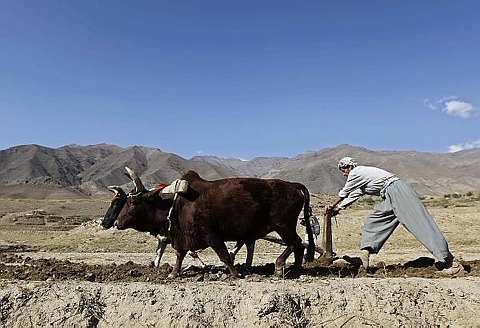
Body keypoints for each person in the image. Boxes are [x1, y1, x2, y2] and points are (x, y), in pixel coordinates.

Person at [325, 157, 464, 275]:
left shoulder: (357, 172)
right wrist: (338, 208)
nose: (343, 174)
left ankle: (451, 263)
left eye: (343, 170)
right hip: (389, 195)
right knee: (374, 220)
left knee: (420, 224)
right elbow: (355, 194)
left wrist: (331, 206)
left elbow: (345, 192)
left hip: (397, 190)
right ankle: (365, 255)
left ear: (349, 166)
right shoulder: (360, 178)